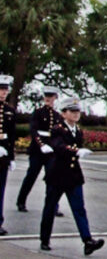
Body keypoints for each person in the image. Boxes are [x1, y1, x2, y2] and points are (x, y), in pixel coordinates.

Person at [40, 97, 104, 255]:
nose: (76, 115)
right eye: (72, 111)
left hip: (73, 176)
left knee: (79, 209)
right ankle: (44, 239)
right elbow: (59, 146)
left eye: (77, 112)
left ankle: (87, 240)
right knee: (49, 208)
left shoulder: (78, 130)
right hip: (57, 175)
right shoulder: (57, 129)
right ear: (64, 113)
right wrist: (75, 151)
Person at [17, 85, 63, 215]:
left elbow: (58, 134)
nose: (48, 99)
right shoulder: (37, 113)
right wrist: (41, 145)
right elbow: (34, 130)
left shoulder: (57, 115)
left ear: (55, 98)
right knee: (31, 175)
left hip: (51, 151)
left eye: (51, 97)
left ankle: (53, 206)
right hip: (37, 150)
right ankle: (21, 201)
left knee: (52, 178)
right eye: (46, 97)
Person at [0, 75, 16, 236]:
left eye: (5, 90)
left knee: (1, 189)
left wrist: (11, 157)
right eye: (1, 89)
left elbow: (11, 136)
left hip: (3, 154)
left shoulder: (10, 111)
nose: (3, 93)